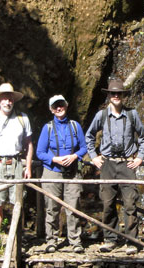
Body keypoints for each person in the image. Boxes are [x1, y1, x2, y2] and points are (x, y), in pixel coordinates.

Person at [85, 79, 144, 254]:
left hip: (127, 164)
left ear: (123, 96)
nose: (116, 96)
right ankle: (110, 239)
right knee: (108, 203)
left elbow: (143, 137)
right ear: (109, 96)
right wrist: (94, 157)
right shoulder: (102, 116)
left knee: (130, 204)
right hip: (107, 164)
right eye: (113, 93)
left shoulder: (132, 114)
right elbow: (89, 136)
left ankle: (131, 241)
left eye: (119, 93)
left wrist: (139, 157)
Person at [0, 83, 33, 246]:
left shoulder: (22, 119)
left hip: (16, 163)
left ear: (13, 101)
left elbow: (29, 144)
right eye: (4, 98)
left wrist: (28, 166)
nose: (7, 101)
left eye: (10, 98)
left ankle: (17, 236)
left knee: (18, 201)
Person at [36, 95, 87, 253]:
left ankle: (75, 240)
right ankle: (51, 240)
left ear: (66, 106)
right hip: (52, 172)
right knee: (52, 208)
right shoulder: (48, 128)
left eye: (61, 105)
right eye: (55, 106)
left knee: (73, 207)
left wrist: (74, 156)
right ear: (51, 109)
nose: (59, 108)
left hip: (72, 172)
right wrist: (55, 159)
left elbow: (83, 148)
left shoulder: (75, 126)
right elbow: (40, 152)